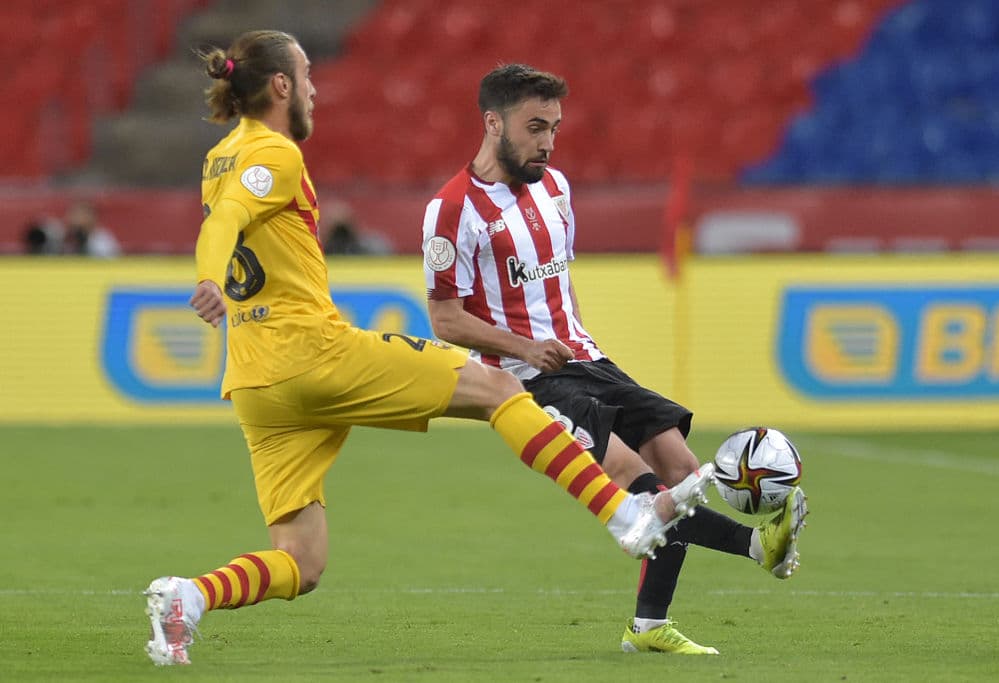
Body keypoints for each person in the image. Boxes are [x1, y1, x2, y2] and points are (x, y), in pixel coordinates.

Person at [142, 31, 715, 667]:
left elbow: (221, 212)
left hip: (255, 384)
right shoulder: (273, 153)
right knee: (501, 386)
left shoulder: (219, 156)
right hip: (311, 353)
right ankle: (625, 515)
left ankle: (187, 598)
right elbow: (222, 224)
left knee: (301, 563)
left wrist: (212, 273)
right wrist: (206, 277)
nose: (313, 89)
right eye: (305, 77)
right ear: (280, 86)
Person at [420, 63, 809, 655]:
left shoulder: (556, 189)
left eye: (554, 127)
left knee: (683, 472)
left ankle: (650, 626)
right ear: (492, 122)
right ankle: (757, 549)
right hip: (527, 380)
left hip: (586, 361)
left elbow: (560, 282)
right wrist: (527, 347)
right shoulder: (451, 210)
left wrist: (583, 346)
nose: (547, 141)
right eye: (534, 127)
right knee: (648, 488)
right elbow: (444, 318)